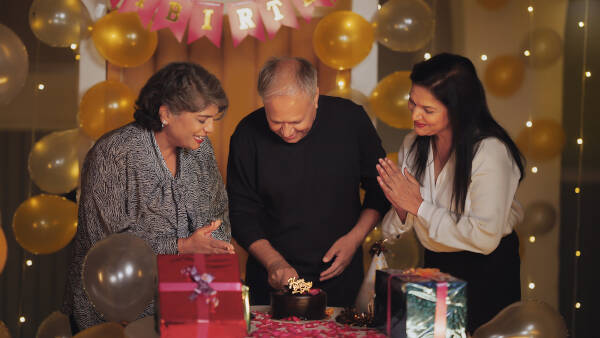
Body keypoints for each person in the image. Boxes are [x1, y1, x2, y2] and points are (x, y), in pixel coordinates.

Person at [63, 62, 235, 331]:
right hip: (114, 314)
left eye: (213, 119)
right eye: (202, 119)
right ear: (166, 113)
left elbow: (218, 212)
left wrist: (215, 244)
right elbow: (107, 247)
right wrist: (181, 246)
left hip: (185, 307)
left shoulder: (201, 150)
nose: (210, 129)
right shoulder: (114, 153)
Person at [376, 53, 524, 333]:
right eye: (412, 102)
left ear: (459, 109)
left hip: (488, 270)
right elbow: (402, 223)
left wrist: (418, 205)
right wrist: (400, 205)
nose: (415, 114)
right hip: (437, 265)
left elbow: (485, 237)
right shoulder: (414, 143)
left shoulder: (490, 152)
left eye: (427, 109)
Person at [227, 57, 390, 307]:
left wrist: (355, 238)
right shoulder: (247, 134)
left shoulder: (350, 121)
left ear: (315, 97)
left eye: (295, 122)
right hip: (272, 276)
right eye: (276, 122)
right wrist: (273, 262)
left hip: (338, 273)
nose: (287, 131)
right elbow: (240, 212)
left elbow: (380, 188)